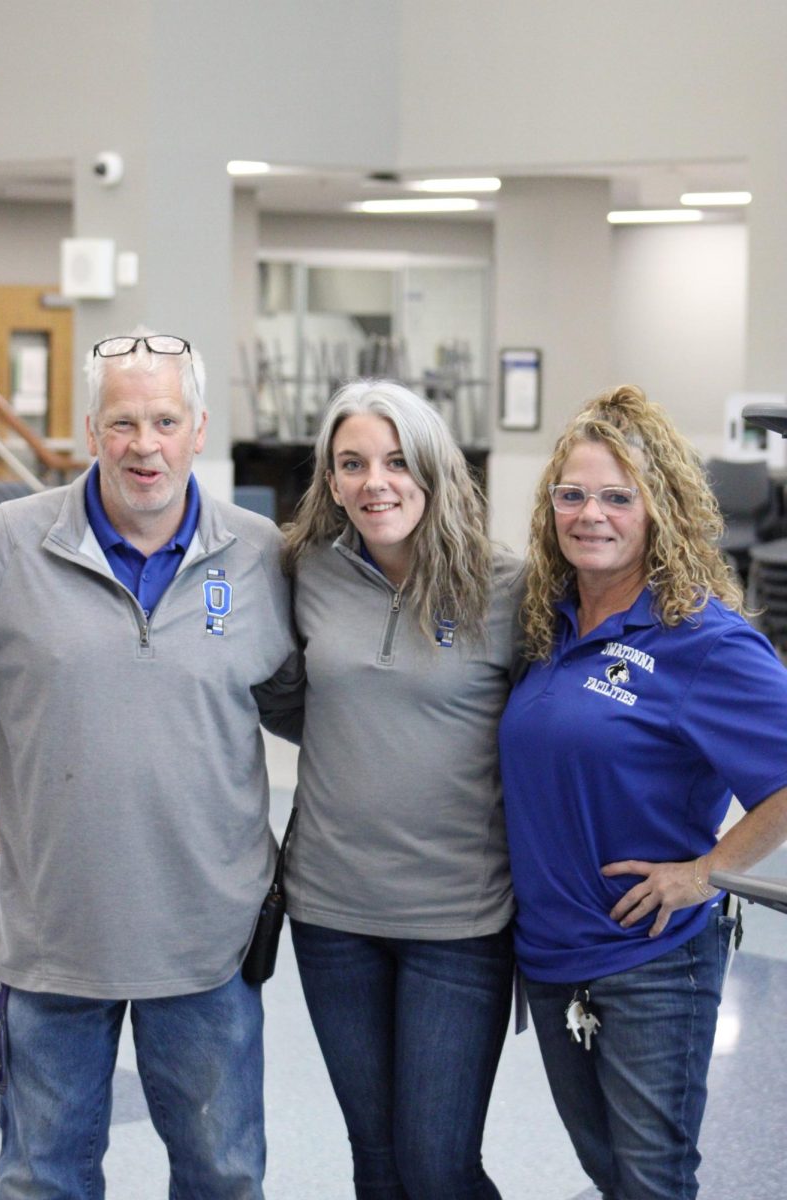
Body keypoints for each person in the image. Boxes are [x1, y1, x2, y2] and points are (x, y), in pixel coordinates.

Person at [0, 330, 301, 1199]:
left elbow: (316, 708)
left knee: (223, 1177)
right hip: (56, 942)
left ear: (200, 429)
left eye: (166, 420)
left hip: (208, 943)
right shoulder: (5, 546)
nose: (144, 446)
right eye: (122, 422)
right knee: (42, 1180)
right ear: (92, 430)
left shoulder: (260, 553)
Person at [499, 384, 787, 1200]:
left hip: (653, 963)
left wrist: (705, 871)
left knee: (652, 1182)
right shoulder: (546, 625)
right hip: (553, 959)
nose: (592, 514)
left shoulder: (701, 639)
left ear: (658, 509)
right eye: (574, 494)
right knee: (608, 1173)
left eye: (618, 497)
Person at [280, 379, 523, 1200]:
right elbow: (284, 696)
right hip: (331, 914)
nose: (373, 482)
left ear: (433, 467)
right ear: (331, 477)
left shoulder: (507, 588)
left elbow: (549, 732)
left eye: (394, 461)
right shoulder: (304, 571)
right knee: (376, 1163)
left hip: (458, 921)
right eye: (351, 464)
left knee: (437, 1165)